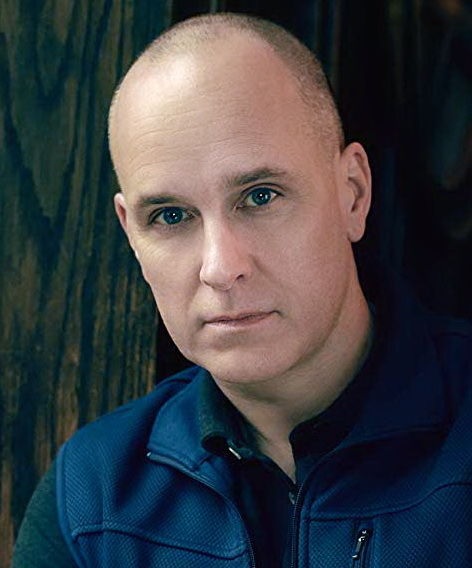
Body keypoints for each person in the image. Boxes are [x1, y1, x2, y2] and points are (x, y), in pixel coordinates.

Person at [12, 12, 472, 568]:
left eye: (260, 196)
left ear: (352, 192)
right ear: (131, 234)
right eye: (171, 215)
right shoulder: (93, 499)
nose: (220, 267)